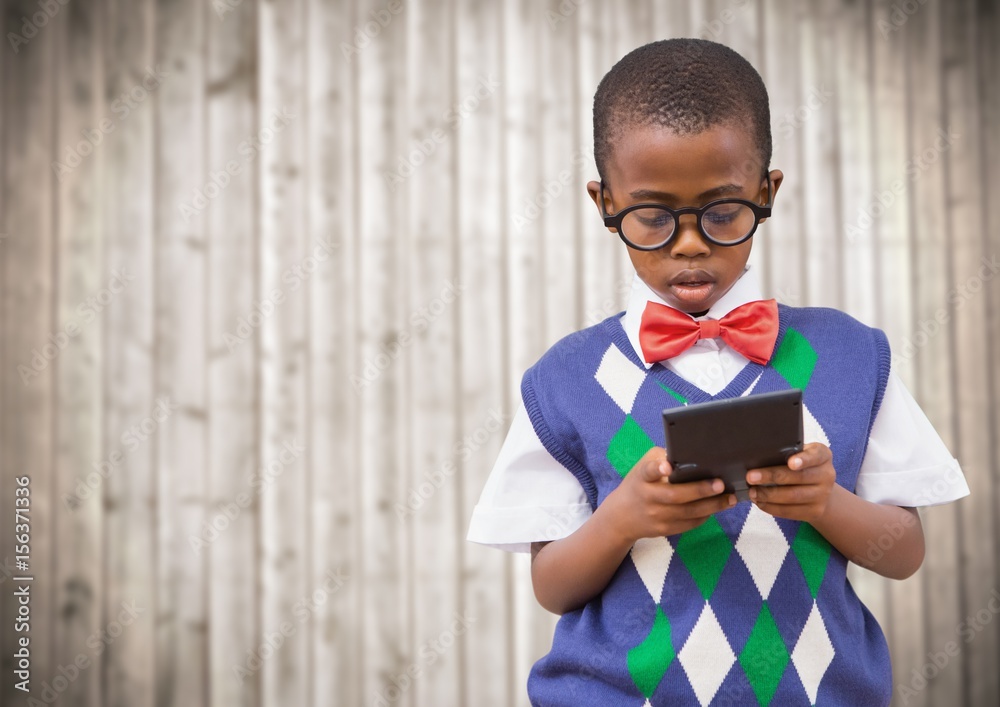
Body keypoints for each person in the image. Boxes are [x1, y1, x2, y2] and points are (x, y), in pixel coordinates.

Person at [466, 38, 970, 706]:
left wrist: (826, 502)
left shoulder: (850, 356)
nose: (691, 241)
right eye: (652, 216)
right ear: (605, 203)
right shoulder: (565, 380)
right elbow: (551, 586)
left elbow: (902, 552)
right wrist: (621, 519)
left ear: (767, 191)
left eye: (723, 211)